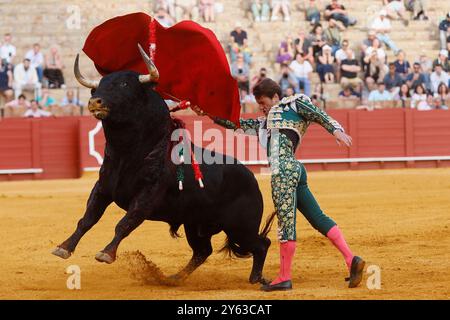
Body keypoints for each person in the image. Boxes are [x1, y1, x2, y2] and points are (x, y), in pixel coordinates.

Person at [192, 78, 365, 291]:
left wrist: (335, 130)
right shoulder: (263, 123)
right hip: (295, 170)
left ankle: (284, 277)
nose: (261, 107)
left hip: (283, 171)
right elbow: (236, 123)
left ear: (275, 97)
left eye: (264, 102)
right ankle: (351, 260)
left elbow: (318, 114)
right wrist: (208, 113)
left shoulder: (294, 103)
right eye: (259, 104)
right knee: (318, 218)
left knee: (286, 224)